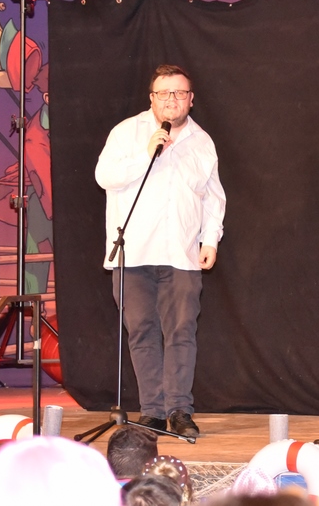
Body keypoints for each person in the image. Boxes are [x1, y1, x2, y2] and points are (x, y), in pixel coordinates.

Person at [96, 65, 226, 438]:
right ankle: (152, 412)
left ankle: (179, 411)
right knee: (141, 332)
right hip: (133, 254)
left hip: (182, 255)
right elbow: (104, 177)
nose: (172, 100)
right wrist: (146, 154)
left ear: (191, 99)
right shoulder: (127, 132)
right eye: (164, 93)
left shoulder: (202, 141)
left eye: (179, 93)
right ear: (152, 98)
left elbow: (213, 197)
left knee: (182, 332)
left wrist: (210, 239)